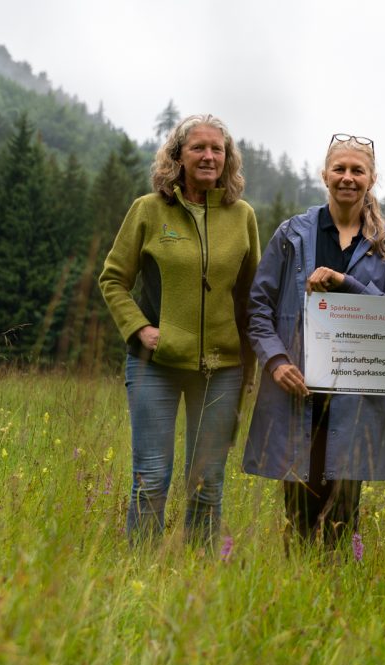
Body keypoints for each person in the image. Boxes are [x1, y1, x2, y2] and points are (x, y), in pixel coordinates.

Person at [244, 134, 385, 548]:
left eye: (358, 170)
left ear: (371, 178)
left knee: (342, 515)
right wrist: (276, 362)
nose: (348, 178)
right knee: (298, 514)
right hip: (297, 392)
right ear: (325, 175)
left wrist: (346, 282)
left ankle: (337, 582)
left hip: (356, 397)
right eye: (340, 169)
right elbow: (259, 307)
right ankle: (298, 583)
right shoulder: (292, 234)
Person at [99, 114, 260, 545]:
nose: (208, 156)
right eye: (198, 148)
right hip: (155, 364)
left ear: (227, 159)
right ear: (177, 156)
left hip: (222, 369)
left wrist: (250, 369)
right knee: (151, 477)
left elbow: (252, 299)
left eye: (217, 149)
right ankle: (141, 571)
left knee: (207, 484)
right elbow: (113, 279)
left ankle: (197, 574)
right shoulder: (148, 210)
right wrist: (139, 329)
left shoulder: (243, 216)